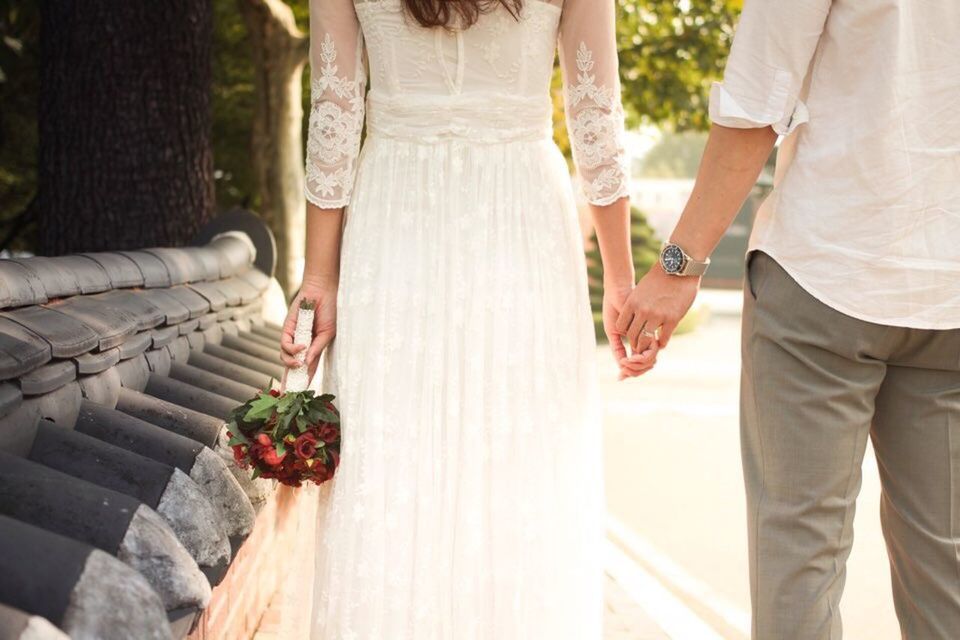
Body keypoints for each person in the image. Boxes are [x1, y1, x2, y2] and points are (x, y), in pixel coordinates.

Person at [280, 1, 653, 637]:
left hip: (395, 211)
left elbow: (336, 112)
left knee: (390, 452)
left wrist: (320, 277)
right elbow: (594, 113)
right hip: (521, 210)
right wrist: (619, 279)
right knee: (521, 457)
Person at [615, 0, 960, 638]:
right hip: (949, 294)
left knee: (799, 563)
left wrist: (676, 266)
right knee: (948, 572)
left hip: (822, 275)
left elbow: (757, 97)